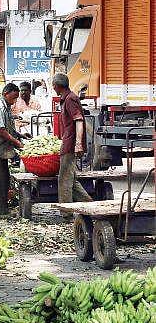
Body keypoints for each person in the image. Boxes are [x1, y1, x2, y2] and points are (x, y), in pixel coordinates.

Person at [52, 73, 92, 218]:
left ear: (57, 86)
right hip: (68, 142)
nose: (53, 88)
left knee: (64, 179)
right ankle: (90, 206)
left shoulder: (70, 99)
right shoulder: (67, 98)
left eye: (53, 85)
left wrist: (78, 144)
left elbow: (79, 121)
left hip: (70, 144)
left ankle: (66, 213)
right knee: (71, 180)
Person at [0, 83, 26, 216]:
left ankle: (3, 207)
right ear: (5, 94)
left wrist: (20, 135)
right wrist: (17, 142)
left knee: (4, 179)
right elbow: (1, 130)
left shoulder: (6, 108)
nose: (14, 102)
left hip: (1, 151)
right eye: (13, 98)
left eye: (16, 99)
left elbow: (9, 128)